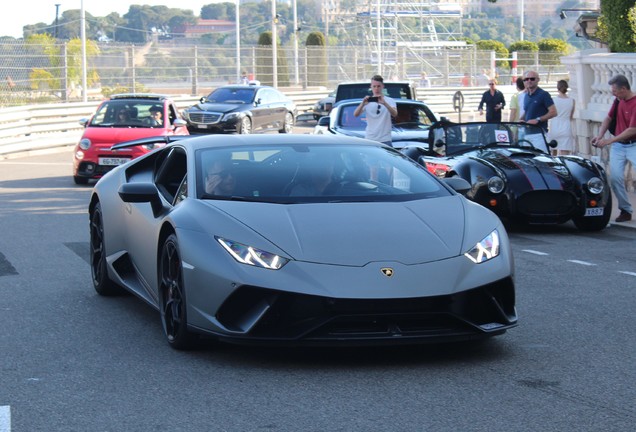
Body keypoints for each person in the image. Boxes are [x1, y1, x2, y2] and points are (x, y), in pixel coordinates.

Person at [591, 74, 636, 223]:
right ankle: (625, 210)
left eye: (615, 91)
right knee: (615, 178)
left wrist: (609, 140)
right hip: (619, 146)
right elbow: (608, 118)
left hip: (633, 144)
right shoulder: (618, 100)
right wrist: (600, 136)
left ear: (623, 89)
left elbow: (632, 129)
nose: (613, 94)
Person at [353, 75, 398, 146]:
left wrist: (385, 103)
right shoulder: (367, 101)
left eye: (378, 86)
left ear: (383, 86)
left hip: (385, 138)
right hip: (370, 138)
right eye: (374, 86)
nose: (376, 89)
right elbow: (355, 114)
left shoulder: (390, 101)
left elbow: (394, 114)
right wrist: (363, 104)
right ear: (371, 87)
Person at [548, 80, 576, 156]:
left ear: (558, 88)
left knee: (553, 152)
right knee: (565, 156)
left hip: (555, 127)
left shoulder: (553, 100)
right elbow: (571, 116)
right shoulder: (572, 101)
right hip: (566, 127)